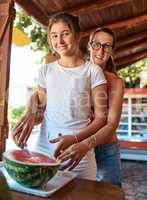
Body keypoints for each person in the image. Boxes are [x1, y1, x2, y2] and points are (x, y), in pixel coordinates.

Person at [12, 12, 107, 180]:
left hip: (78, 152)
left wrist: (75, 138)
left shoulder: (92, 71)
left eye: (65, 34)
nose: (59, 41)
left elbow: (101, 119)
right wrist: (25, 124)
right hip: (44, 149)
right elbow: (40, 111)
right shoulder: (45, 71)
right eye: (54, 35)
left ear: (77, 35)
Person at [56, 27, 124, 187]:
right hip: (77, 144)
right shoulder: (75, 72)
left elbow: (112, 124)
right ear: (89, 45)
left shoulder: (115, 82)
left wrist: (86, 144)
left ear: (112, 51)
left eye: (107, 46)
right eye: (97, 44)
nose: (101, 50)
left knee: (110, 196)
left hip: (105, 150)